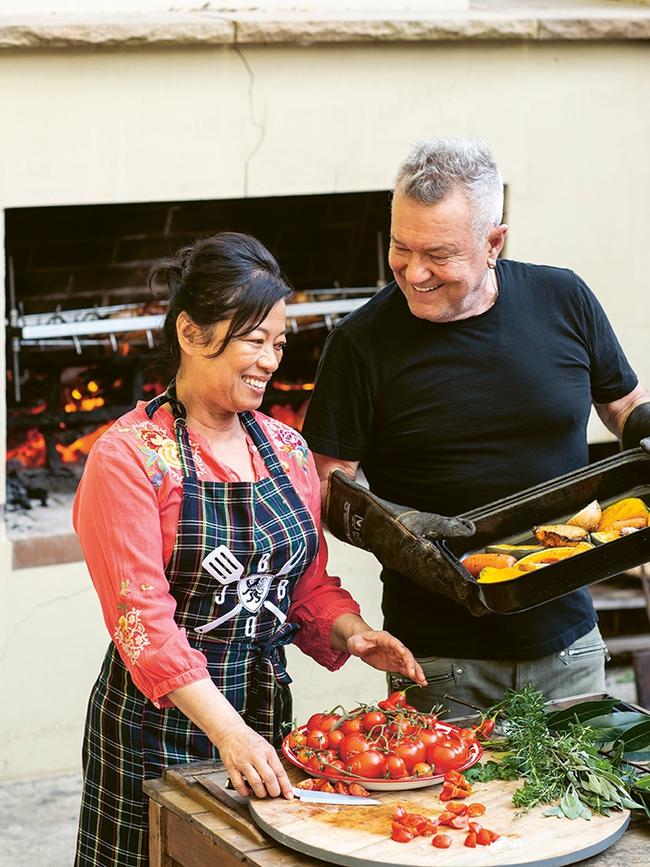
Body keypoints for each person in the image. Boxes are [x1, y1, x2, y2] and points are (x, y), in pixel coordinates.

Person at [73, 232, 426, 867]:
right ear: (190, 331)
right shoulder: (129, 458)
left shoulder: (286, 449)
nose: (270, 360)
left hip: (264, 710)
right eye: (253, 340)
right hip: (158, 725)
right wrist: (227, 731)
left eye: (280, 343)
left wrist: (352, 633)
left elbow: (305, 581)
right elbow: (143, 626)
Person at [302, 138, 650, 718]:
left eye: (438, 254)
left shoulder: (563, 297)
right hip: (439, 661)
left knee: (582, 809)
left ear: (493, 242)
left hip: (570, 644)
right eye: (400, 247)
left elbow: (622, 405)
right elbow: (328, 488)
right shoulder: (359, 344)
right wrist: (400, 535)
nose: (414, 273)